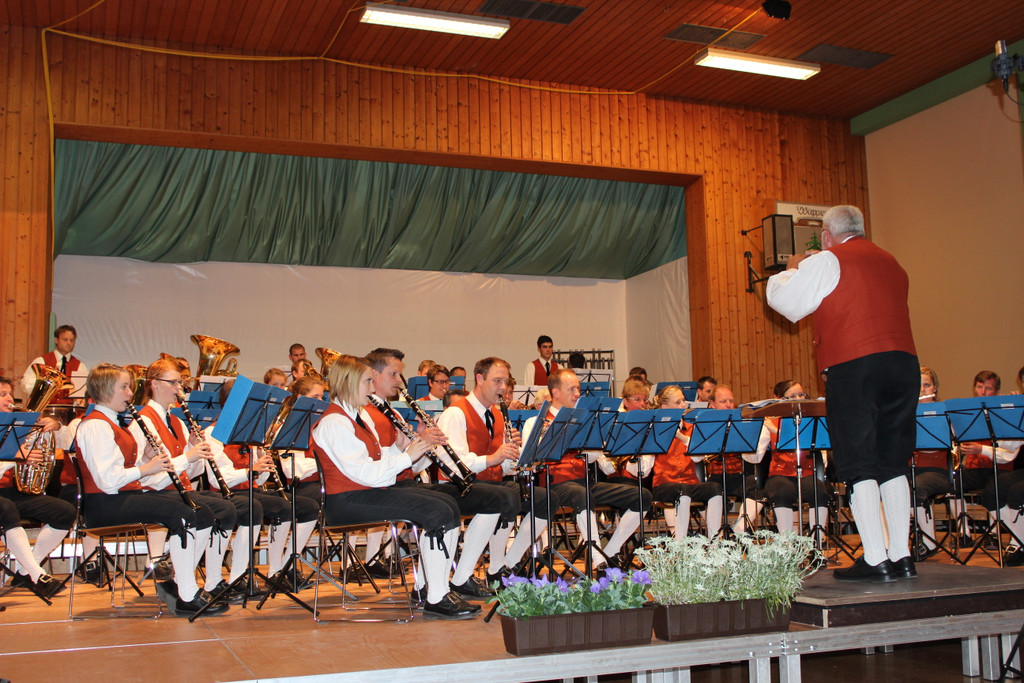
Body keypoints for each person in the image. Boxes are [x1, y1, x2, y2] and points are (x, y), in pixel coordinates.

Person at [767, 204, 919, 582]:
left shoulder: (829, 259)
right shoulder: (893, 262)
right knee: (893, 461)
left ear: (828, 235)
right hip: (904, 363)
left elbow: (786, 302)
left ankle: (876, 557)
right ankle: (902, 556)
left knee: (858, 460)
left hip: (856, 365)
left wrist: (792, 268)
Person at [310, 354, 476, 619]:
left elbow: (376, 460)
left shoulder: (357, 416)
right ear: (350, 382)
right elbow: (365, 474)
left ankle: (437, 589)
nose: (372, 388)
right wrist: (407, 456)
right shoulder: (335, 422)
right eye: (367, 381)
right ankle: (436, 597)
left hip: (364, 492)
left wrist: (404, 448)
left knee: (448, 504)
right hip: (346, 501)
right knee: (435, 510)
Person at [74, 364, 228, 615]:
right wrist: (148, 468)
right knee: (185, 515)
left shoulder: (111, 422)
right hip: (104, 504)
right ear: (105, 389)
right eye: (124, 387)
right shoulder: (95, 426)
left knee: (202, 513)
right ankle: (186, 595)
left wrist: (146, 459)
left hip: (122, 496)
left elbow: (120, 469)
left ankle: (182, 584)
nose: (130, 393)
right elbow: (106, 480)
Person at [128, 358, 239, 601]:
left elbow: (192, 470)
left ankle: (190, 577)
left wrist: (195, 451)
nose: (179, 388)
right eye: (174, 383)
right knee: (204, 510)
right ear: (155, 384)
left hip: (177, 489)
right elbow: (149, 476)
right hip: (153, 491)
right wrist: (188, 456)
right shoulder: (143, 422)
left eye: (180, 383)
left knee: (225, 508)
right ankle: (182, 580)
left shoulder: (177, 421)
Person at [522, 368, 651, 571]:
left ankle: (610, 552)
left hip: (584, 483)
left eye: (578, 389)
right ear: (556, 392)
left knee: (642, 496)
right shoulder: (535, 422)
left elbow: (591, 458)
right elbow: (531, 459)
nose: (577, 394)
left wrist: (598, 437)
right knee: (582, 495)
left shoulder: (584, 420)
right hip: (554, 486)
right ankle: (598, 561)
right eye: (572, 389)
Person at [203, 380, 320, 596]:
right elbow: (219, 478)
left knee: (305, 506)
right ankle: (237, 577)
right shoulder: (212, 434)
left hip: (250, 489)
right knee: (256, 507)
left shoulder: (249, 435)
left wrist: (262, 463)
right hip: (225, 493)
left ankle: (279, 570)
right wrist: (251, 471)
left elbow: (261, 478)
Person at [434, 357, 529, 591]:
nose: (503, 388)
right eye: (497, 381)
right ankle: (462, 577)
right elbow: (453, 464)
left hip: (489, 483)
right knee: (499, 497)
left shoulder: (497, 414)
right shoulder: (455, 413)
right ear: (479, 378)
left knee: (541, 498)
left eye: (506, 382)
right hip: (455, 486)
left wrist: (512, 454)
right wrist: (494, 458)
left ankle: (503, 565)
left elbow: (504, 467)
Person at [0, 377, 75, 599]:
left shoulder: (17, 425)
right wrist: (15, 458)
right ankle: (37, 575)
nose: (9, 399)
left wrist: (54, 425)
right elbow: (15, 458)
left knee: (65, 511)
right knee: (6, 508)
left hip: (12, 492)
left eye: (10, 394)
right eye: (3, 394)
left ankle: (25, 572)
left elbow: (66, 439)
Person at [751, 380, 831, 542]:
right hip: (780, 474)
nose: (799, 399)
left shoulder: (812, 421)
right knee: (782, 491)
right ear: (781, 400)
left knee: (819, 491)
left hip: (806, 473)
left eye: (801, 395)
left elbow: (822, 457)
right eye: (792, 396)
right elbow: (755, 457)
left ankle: (816, 542)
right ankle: (787, 542)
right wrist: (753, 439)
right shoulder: (771, 422)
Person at [648, 384, 724, 538]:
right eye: (678, 402)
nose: (684, 405)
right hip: (664, 484)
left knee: (714, 488)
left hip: (689, 483)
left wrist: (681, 436)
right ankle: (680, 542)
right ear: (664, 408)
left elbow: (698, 457)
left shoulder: (691, 428)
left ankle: (715, 540)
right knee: (682, 490)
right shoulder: (654, 430)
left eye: (683, 400)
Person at [911, 367, 954, 560]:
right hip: (910, 468)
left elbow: (945, 443)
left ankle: (929, 542)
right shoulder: (906, 412)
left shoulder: (944, 412)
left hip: (937, 472)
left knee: (916, 487)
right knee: (888, 485)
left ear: (934, 388)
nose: (922, 390)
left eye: (926, 385)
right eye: (918, 385)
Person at [21, 325, 89, 399]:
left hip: (70, 406)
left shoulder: (80, 366)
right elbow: (26, 385)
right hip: (46, 406)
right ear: (56, 340)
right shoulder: (41, 361)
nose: (69, 343)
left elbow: (84, 392)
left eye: (71, 340)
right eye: (65, 340)